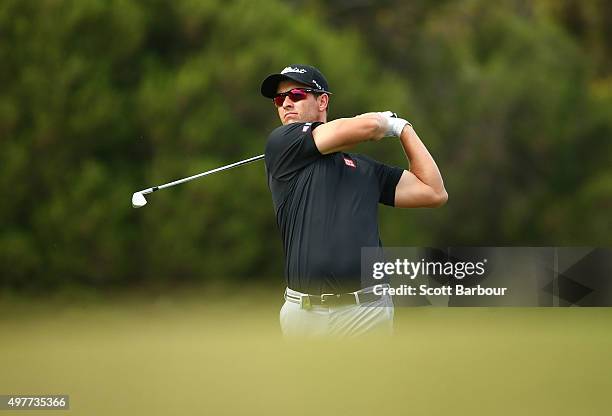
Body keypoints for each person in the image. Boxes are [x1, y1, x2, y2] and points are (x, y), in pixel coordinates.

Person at [261, 64, 447, 337]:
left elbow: (433, 191)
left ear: (322, 100)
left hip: (366, 311)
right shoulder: (281, 144)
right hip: (303, 313)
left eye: (297, 95)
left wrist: (404, 129)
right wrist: (385, 122)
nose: (286, 103)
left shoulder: (365, 168)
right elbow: (370, 126)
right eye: (279, 99)